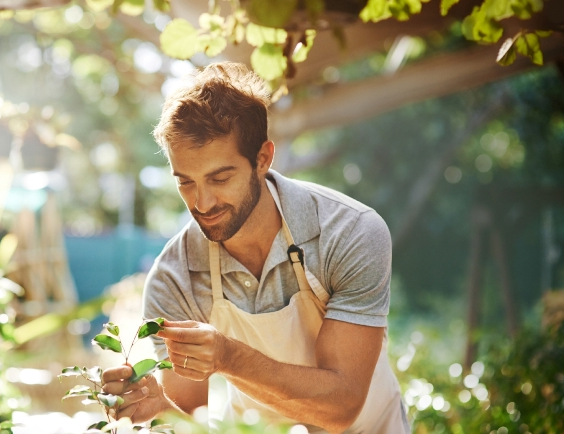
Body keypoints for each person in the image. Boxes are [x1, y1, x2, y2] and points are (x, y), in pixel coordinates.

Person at [102, 62, 409, 434]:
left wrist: (229, 357)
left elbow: (341, 409)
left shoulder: (349, 232)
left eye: (220, 178)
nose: (202, 203)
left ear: (263, 159)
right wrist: (162, 410)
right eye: (185, 182)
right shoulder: (175, 278)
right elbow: (190, 424)